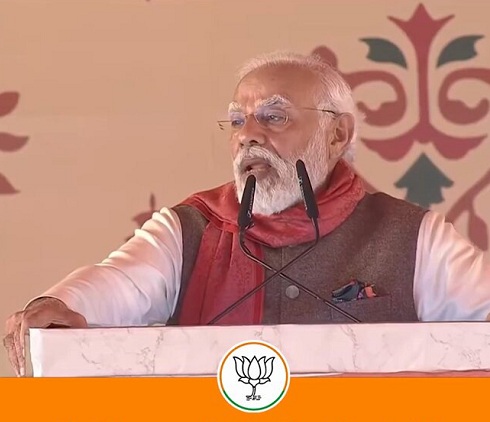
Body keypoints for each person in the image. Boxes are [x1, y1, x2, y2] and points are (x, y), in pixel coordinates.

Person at [4, 51, 490, 376]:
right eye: (237, 120)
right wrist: (58, 305)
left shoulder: (414, 236)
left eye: (274, 117)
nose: (248, 135)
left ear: (338, 134)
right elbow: (117, 284)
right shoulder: (190, 227)